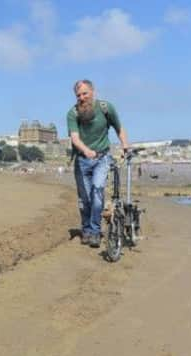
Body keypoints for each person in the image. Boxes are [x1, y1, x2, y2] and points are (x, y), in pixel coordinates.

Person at [67, 79, 129, 248]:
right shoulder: (73, 113)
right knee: (84, 199)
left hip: (102, 158)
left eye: (85, 93)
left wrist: (125, 145)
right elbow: (74, 137)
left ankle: (95, 232)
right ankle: (86, 230)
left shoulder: (106, 108)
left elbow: (119, 128)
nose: (82, 97)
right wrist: (85, 150)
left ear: (93, 91)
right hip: (82, 160)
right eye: (78, 95)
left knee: (97, 191)